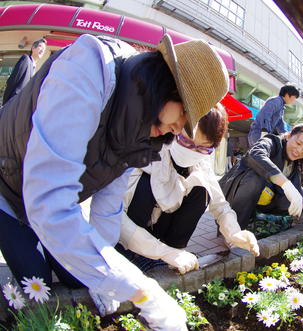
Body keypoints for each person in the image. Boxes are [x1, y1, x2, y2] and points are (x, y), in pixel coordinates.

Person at [0, 33, 229, 330]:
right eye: (184, 115)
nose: (178, 128)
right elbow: (49, 201)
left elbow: (107, 211)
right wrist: (143, 291)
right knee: (39, 288)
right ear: (166, 85)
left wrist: (108, 280)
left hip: (46, 200)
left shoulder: (142, 130)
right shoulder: (87, 70)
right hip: (7, 188)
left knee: (80, 276)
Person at [118, 106, 259, 276]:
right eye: (187, 141)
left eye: (203, 147)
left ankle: (171, 257)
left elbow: (220, 205)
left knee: (202, 190)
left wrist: (234, 233)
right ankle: (137, 255)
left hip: (160, 230)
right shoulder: (149, 148)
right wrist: (162, 252)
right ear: (176, 127)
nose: (193, 151)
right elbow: (113, 215)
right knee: (144, 183)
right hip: (124, 231)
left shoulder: (201, 163)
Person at [220, 123, 303, 230]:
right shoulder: (272, 141)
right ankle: (232, 228)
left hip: (259, 205)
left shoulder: (294, 164)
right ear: (289, 136)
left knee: (290, 199)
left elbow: (298, 191)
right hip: (232, 197)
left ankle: (257, 223)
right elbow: (256, 153)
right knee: (255, 178)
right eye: (298, 143)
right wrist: (285, 183)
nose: (299, 150)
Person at [3, 38, 47, 104]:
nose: (42, 50)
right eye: (40, 47)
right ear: (33, 48)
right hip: (13, 102)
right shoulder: (26, 60)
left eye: (44, 49)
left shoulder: (34, 68)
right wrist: (5, 102)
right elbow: (13, 80)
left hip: (22, 105)